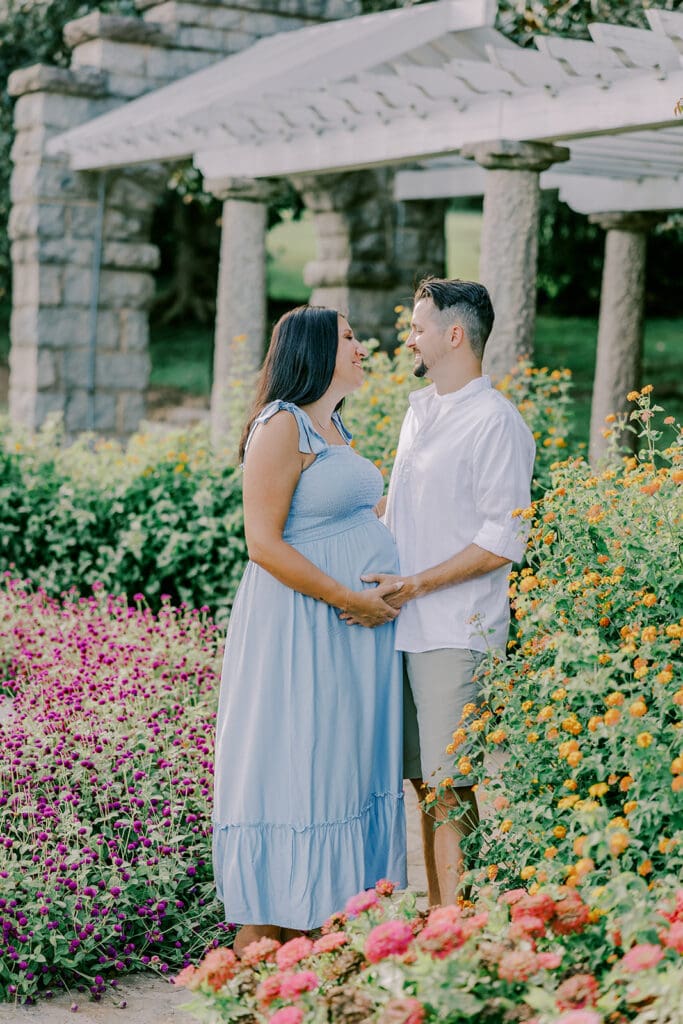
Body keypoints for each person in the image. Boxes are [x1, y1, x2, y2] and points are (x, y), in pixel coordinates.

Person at [212, 305, 407, 956]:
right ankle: (267, 939)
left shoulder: (333, 425)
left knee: (339, 764)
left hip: (350, 628)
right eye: (349, 336)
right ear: (316, 349)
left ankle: (320, 935)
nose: (361, 345)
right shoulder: (281, 425)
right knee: (299, 760)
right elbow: (262, 542)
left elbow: (348, 516)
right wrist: (349, 596)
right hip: (302, 624)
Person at [345, 278, 535, 906]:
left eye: (419, 327)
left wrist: (416, 584)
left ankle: (459, 921)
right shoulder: (420, 409)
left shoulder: (496, 422)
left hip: (456, 628)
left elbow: (502, 540)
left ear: (454, 335)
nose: (410, 337)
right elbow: (400, 510)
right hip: (401, 626)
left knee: (452, 784)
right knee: (422, 782)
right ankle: (436, 913)